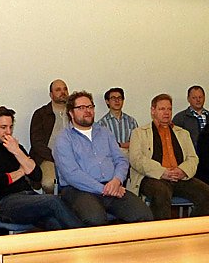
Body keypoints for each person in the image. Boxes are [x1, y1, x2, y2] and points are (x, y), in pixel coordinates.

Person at [0, 106, 83, 230]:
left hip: (29, 197)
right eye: (3, 127)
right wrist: (21, 171)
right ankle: (88, 237)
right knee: (53, 201)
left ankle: (80, 240)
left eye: (10, 127)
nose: (8, 132)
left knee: (54, 222)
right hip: (5, 203)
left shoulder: (15, 147)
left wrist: (17, 151)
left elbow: (37, 176)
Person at [54, 91, 153, 226]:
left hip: (111, 186)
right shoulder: (64, 138)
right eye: (81, 108)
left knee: (144, 215)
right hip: (79, 189)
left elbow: (121, 160)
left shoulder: (104, 132)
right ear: (71, 113)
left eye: (90, 107)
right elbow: (72, 174)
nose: (87, 111)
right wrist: (103, 189)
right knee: (96, 220)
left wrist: (117, 180)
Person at [129, 94, 209, 219]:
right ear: (153, 111)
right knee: (161, 193)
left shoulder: (183, 133)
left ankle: (190, 229)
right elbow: (136, 159)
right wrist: (162, 172)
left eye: (169, 109)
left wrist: (182, 170)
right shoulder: (139, 133)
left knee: (208, 196)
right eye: (162, 109)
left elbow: (193, 158)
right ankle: (163, 230)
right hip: (152, 177)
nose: (166, 112)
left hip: (179, 177)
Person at [29, 79, 70, 193]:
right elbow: (36, 143)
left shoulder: (75, 113)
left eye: (65, 89)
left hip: (73, 158)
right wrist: (55, 156)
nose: (63, 92)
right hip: (48, 158)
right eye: (58, 90)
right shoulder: (41, 114)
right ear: (51, 95)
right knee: (49, 183)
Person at [97, 87, 139, 152]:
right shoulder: (102, 124)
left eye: (119, 98)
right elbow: (102, 145)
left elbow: (137, 143)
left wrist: (119, 145)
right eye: (113, 98)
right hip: (111, 157)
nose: (117, 101)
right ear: (107, 101)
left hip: (129, 156)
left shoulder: (131, 121)